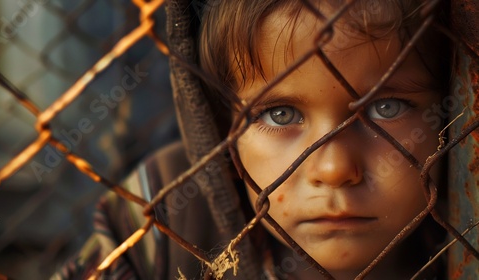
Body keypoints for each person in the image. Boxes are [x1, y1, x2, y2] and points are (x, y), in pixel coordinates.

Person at [54, 0, 450, 279]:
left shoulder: (466, 229)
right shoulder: (167, 211)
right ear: (221, 123)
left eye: (387, 108)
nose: (334, 169)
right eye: (280, 114)